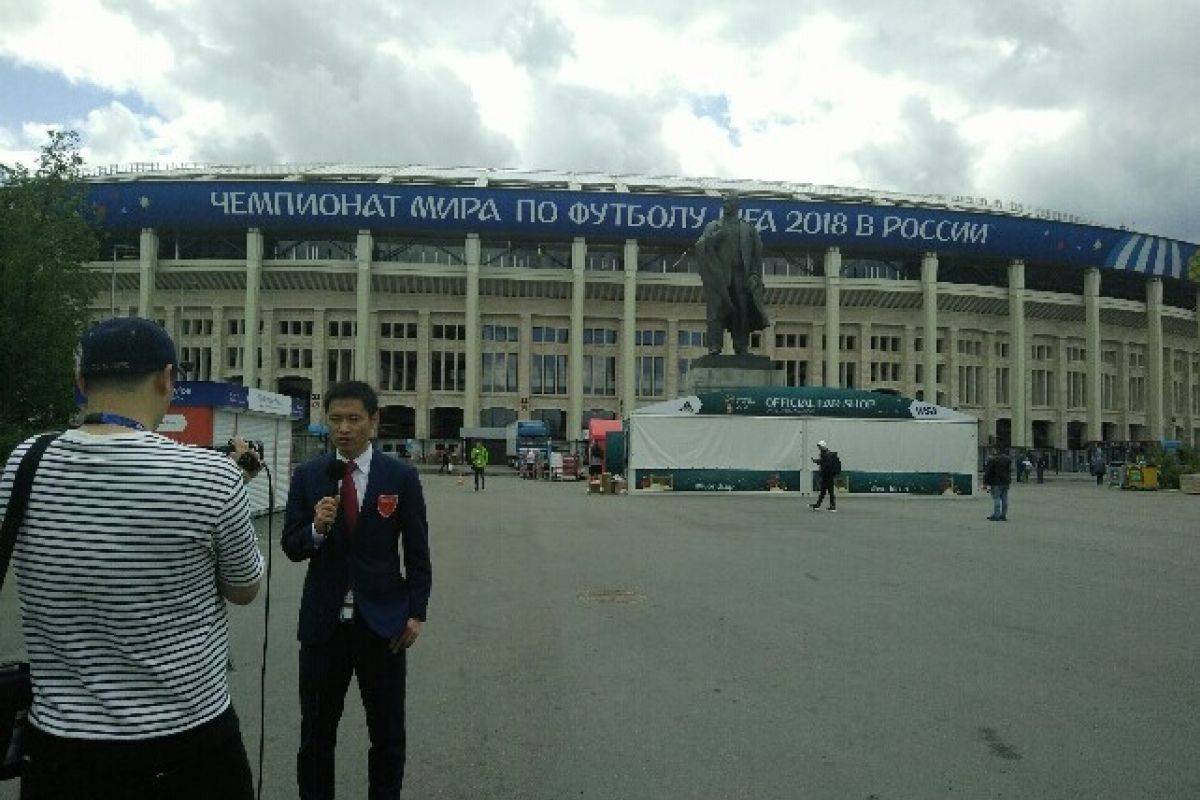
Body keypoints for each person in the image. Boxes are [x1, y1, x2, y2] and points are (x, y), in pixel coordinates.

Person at [1, 317, 264, 799]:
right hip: (189, 744)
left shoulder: (25, 463)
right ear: (167, 378)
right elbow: (244, 589)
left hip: (62, 750)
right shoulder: (211, 476)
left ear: (81, 384)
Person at [282, 380, 432, 800]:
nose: (343, 428)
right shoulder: (310, 476)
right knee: (316, 737)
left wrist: (416, 612)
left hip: (382, 626)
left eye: (353, 419)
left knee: (386, 737)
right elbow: (292, 546)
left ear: (373, 422)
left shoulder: (399, 476)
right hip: (322, 628)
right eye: (335, 419)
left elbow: (417, 553)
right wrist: (316, 528)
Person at [694, 194, 769, 355]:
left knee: (741, 312)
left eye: (728, 202)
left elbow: (757, 255)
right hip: (720, 278)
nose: (725, 205)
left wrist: (755, 275)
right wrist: (714, 239)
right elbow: (700, 246)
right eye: (724, 203)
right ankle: (714, 346)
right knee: (715, 312)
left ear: (737, 206)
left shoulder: (748, 229)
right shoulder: (714, 227)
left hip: (741, 277)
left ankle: (741, 346)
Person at [810, 440, 840, 512]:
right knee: (825, 491)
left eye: (819, 446)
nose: (819, 448)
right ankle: (819, 505)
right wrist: (817, 461)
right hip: (828, 476)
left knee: (828, 491)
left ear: (822, 446)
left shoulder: (826, 454)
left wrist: (817, 462)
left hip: (827, 476)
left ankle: (831, 506)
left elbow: (824, 463)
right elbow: (823, 462)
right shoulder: (826, 454)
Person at [982, 450, 1013, 521]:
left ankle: (996, 515)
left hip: (996, 482)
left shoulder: (992, 460)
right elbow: (1009, 470)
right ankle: (1003, 515)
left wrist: (985, 483)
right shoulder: (1007, 459)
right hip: (1005, 482)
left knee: (996, 498)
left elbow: (988, 472)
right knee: (1005, 499)